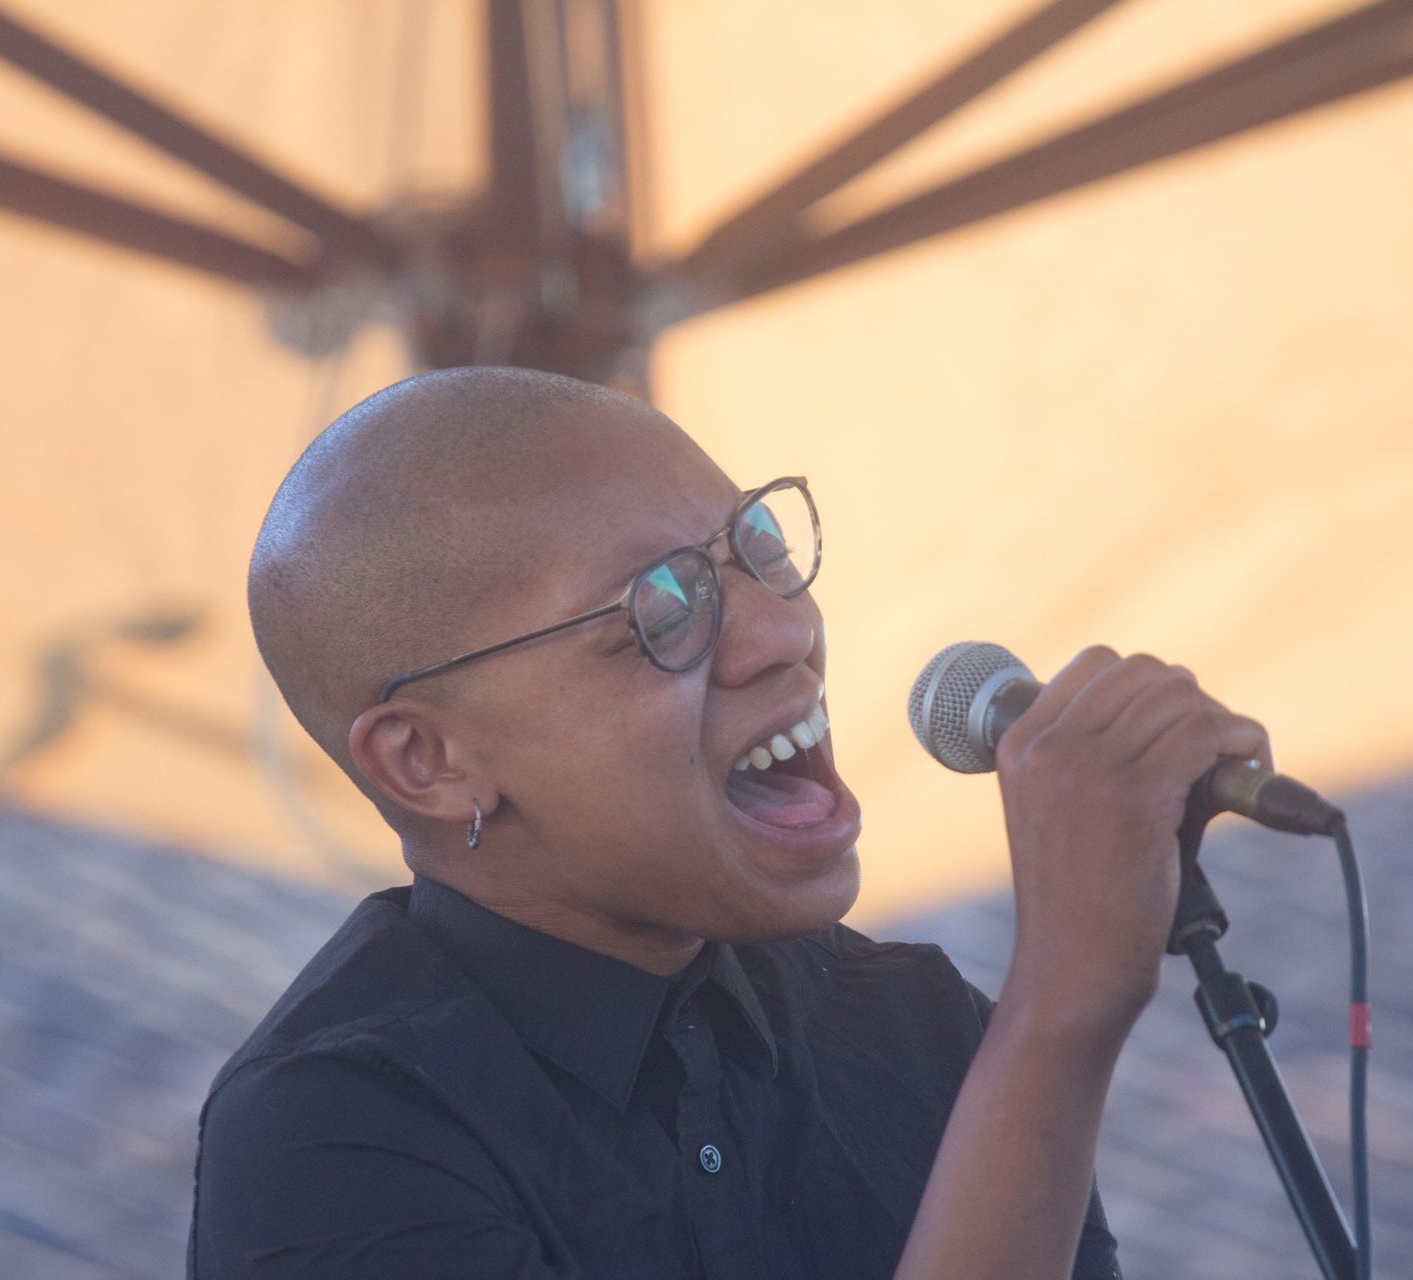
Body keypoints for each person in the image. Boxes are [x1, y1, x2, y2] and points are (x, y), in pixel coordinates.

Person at [188, 367, 1269, 1279]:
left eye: (759, 545)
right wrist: (1063, 1007)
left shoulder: (917, 1025)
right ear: (428, 761)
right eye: (663, 609)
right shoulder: (334, 1132)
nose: (783, 631)